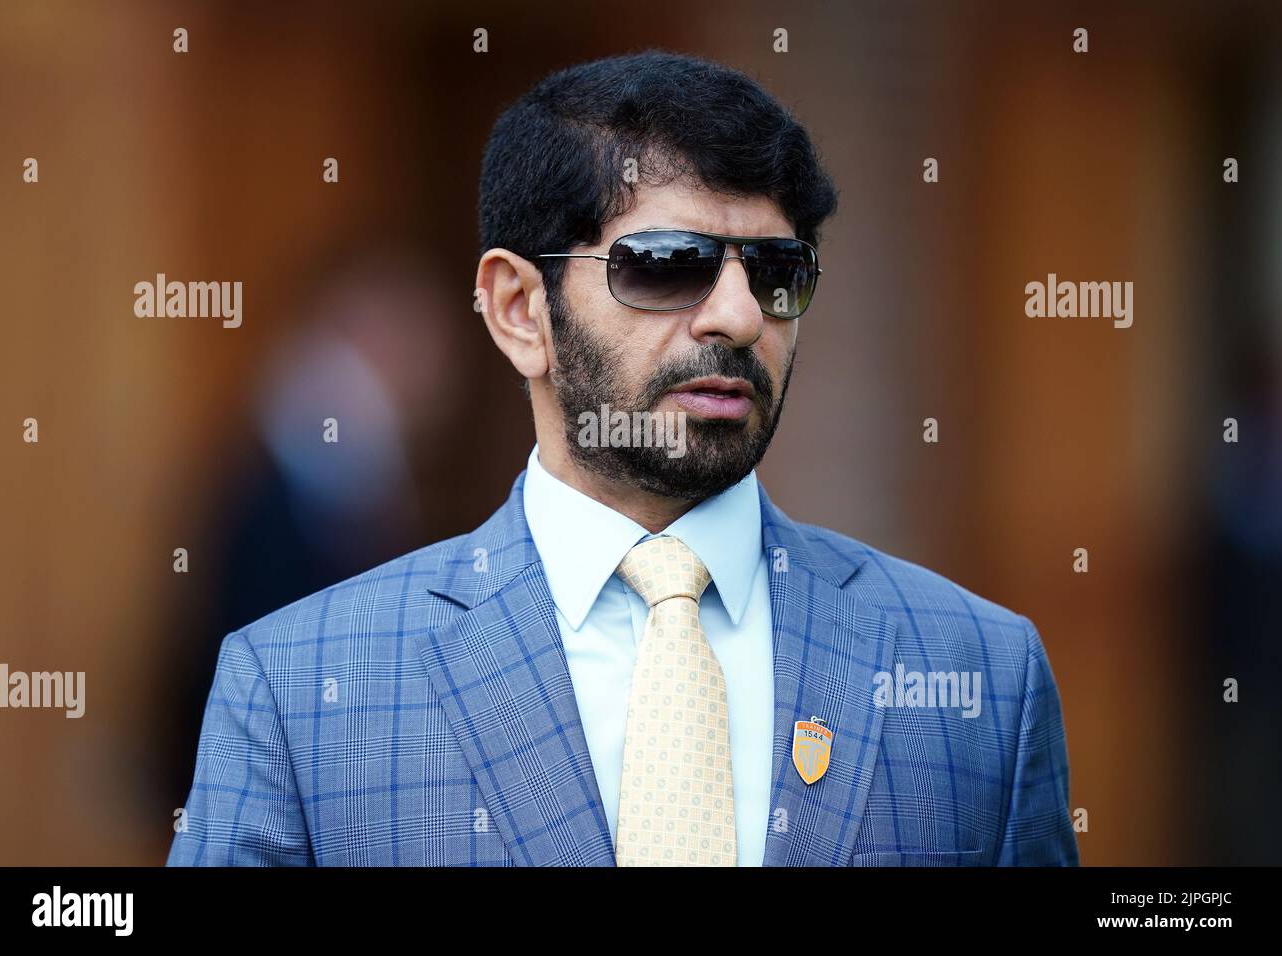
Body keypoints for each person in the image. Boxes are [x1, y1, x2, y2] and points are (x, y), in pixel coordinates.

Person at [168, 51, 1078, 867]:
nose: (737, 316)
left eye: (774, 272)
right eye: (668, 263)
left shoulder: (981, 676)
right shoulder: (298, 692)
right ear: (520, 309)